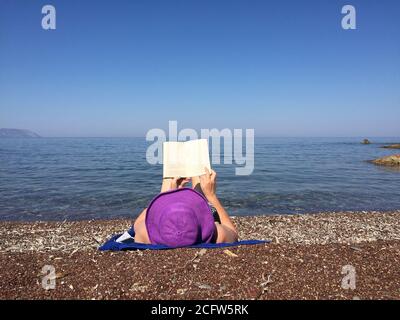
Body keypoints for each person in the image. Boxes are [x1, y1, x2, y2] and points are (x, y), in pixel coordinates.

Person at [133, 168, 238, 246]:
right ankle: (195, 166)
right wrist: (211, 195)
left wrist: (166, 193)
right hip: (199, 233)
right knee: (200, 181)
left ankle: (175, 180)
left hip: (164, 230)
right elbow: (233, 233)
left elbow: (137, 224)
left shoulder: (144, 235)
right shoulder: (217, 235)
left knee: (169, 179)